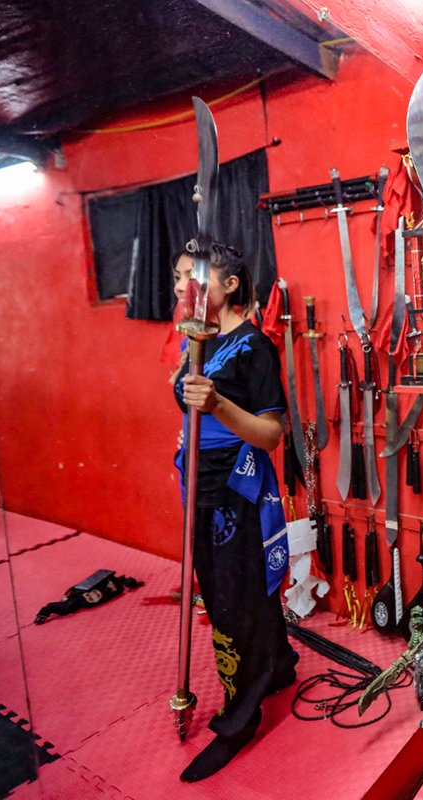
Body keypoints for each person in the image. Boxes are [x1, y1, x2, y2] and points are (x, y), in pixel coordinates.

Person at [171, 244, 297, 782]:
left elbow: (271, 434)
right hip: (200, 480)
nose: (181, 286)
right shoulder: (196, 340)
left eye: (192, 276)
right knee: (233, 589)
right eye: (178, 276)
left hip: (236, 487)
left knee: (232, 600)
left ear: (228, 285)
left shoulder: (253, 346)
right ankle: (278, 667)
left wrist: (218, 405)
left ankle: (238, 720)